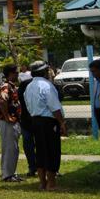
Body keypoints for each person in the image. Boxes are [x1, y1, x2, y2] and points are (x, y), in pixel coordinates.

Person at [23, 61, 66, 191]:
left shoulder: (29, 86)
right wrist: (61, 123)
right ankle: (51, 184)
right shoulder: (47, 86)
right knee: (52, 151)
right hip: (48, 122)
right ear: (44, 72)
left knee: (40, 152)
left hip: (35, 121)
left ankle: (42, 183)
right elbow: (55, 108)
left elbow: (28, 105)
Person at [0, 65, 23, 182]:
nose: (18, 74)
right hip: (7, 121)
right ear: (10, 74)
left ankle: (11, 173)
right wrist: (7, 117)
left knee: (13, 148)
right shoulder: (6, 86)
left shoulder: (10, 86)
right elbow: (2, 100)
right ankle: (7, 175)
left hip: (11, 120)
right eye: (16, 72)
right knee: (10, 148)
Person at [17, 67, 37, 177]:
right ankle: (32, 167)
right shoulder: (24, 86)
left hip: (35, 119)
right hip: (26, 120)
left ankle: (39, 166)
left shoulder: (27, 86)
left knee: (35, 143)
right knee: (28, 144)